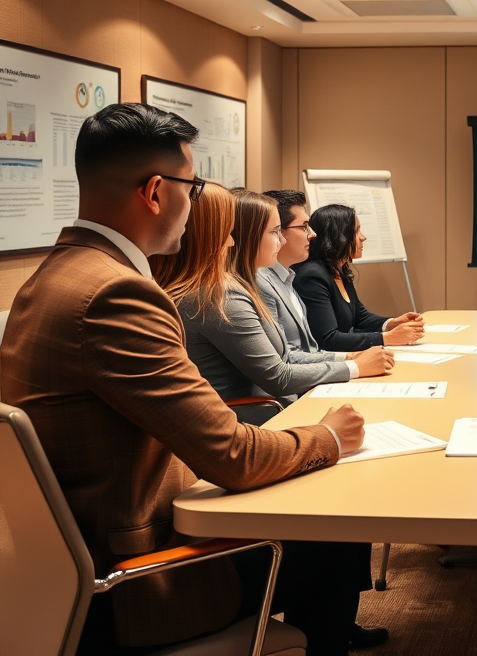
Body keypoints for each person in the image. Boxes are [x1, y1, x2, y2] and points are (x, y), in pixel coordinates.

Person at [0, 103, 376, 655]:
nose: (198, 207)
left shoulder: (53, 277)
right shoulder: (117, 295)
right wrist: (328, 438)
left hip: (71, 558)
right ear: (156, 191)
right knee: (336, 542)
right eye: (193, 188)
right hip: (140, 581)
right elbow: (233, 455)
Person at [154, 188, 393, 405]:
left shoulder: (242, 285)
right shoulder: (221, 295)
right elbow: (278, 376)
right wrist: (355, 366)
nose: (281, 240)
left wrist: (351, 358)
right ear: (249, 236)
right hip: (255, 417)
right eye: (275, 232)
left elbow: (286, 356)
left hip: (269, 406)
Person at [295, 203, 424, 352]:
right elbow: (328, 339)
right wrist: (388, 338)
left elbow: (360, 318)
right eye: (356, 232)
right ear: (339, 237)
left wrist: (392, 323)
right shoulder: (312, 276)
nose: (363, 237)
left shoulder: (339, 269)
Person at [259, 189, 324, 353]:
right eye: (304, 227)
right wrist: (353, 363)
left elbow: (310, 349)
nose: (312, 234)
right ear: (278, 230)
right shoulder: (260, 283)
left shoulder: (287, 278)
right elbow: (284, 358)